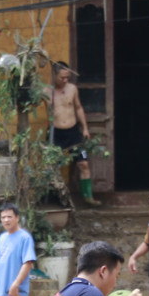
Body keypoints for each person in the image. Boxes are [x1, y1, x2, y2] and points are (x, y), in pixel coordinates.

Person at [49, 62, 99, 207]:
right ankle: (57, 198)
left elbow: (78, 108)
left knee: (83, 163)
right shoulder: (46, 91)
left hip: (73, 133)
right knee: (53, 166)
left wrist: (85, 128)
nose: (65, 80)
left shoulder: (72, 89)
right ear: (54, 75)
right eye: (62, 78)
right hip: (55, 134)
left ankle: (88, 197)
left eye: (67, 78)